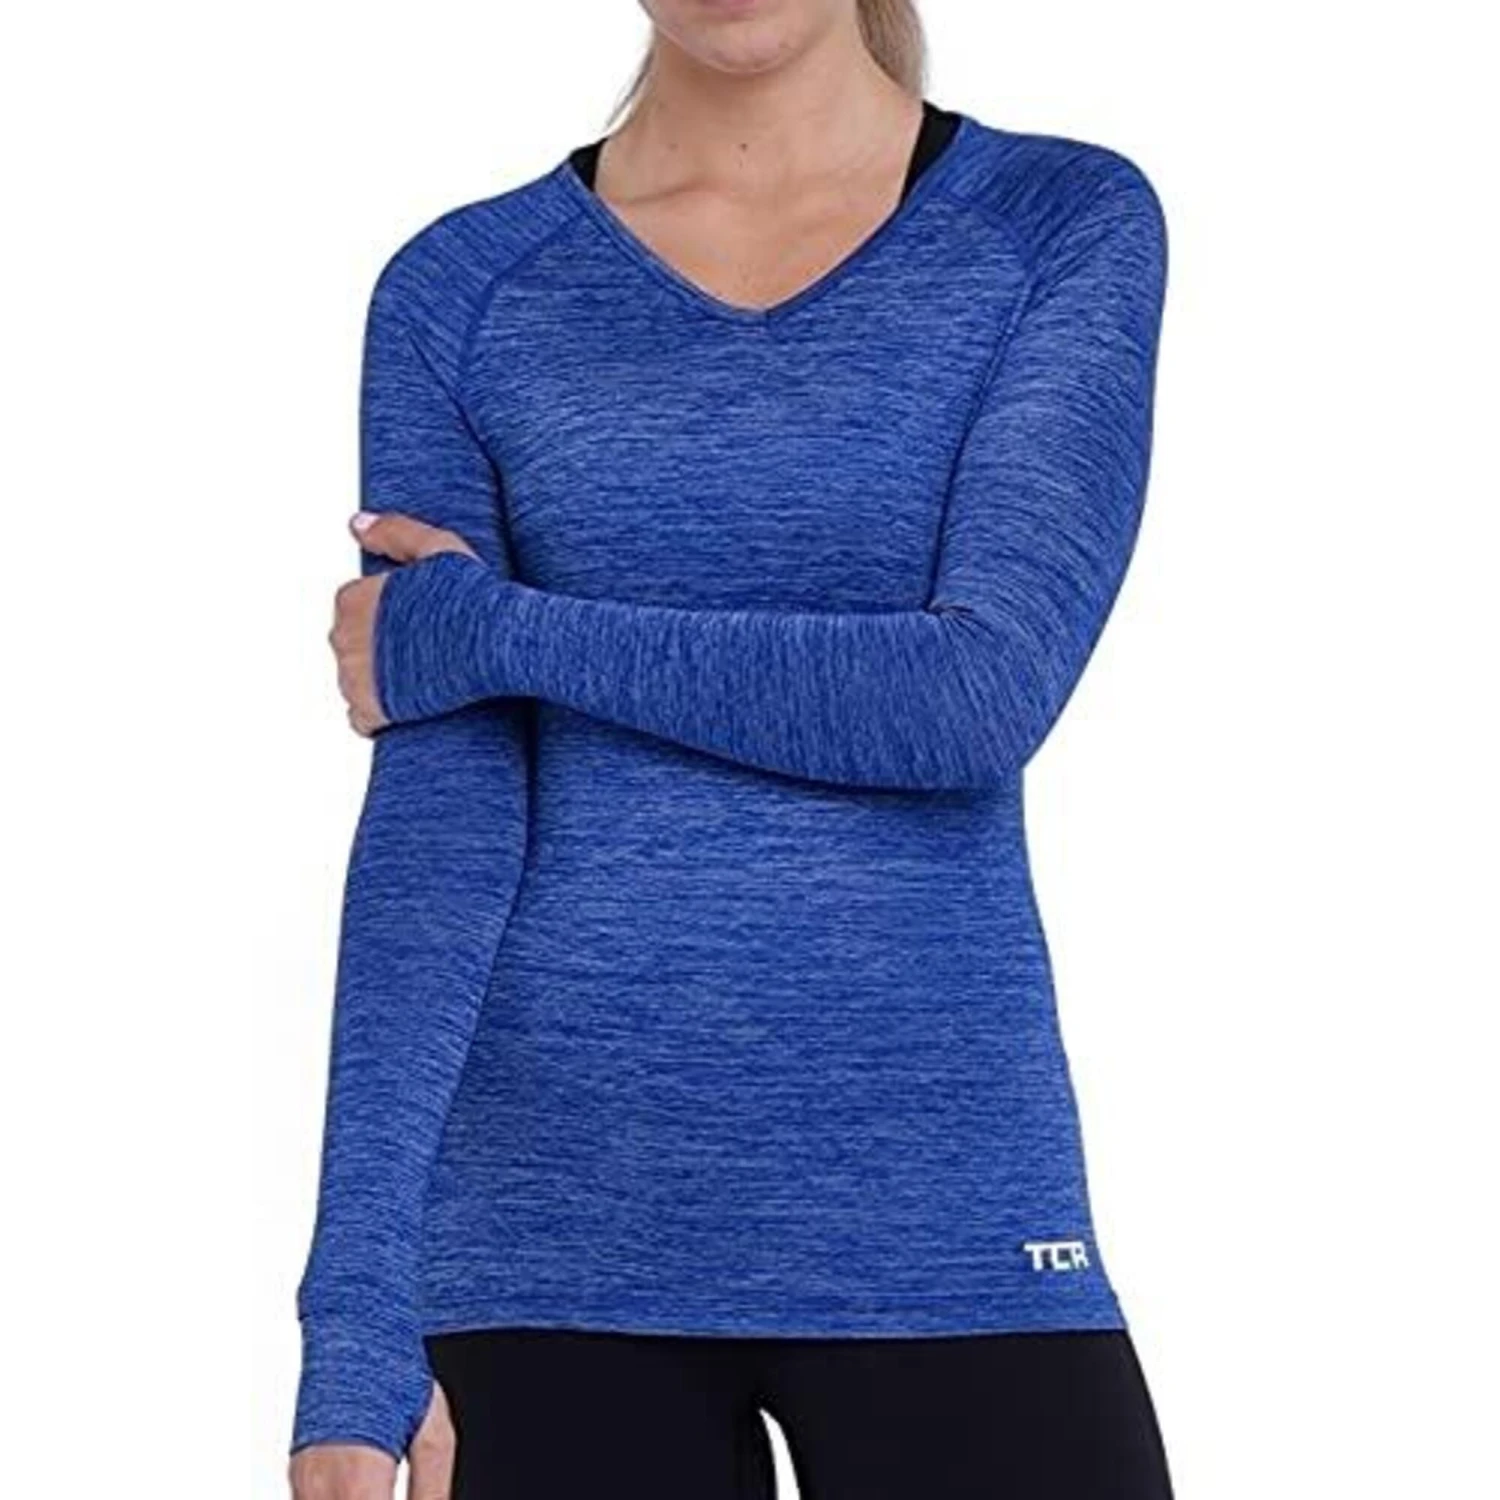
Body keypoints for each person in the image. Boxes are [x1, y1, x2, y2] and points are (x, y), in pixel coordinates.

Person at [290, 1, 1174, 1495]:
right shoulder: (464, 287)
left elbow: (976, 696)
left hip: (941, 1200)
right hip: (538, 1237)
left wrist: (495, 631)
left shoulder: (1054, 222)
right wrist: (356, 1314)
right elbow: (440, 825)